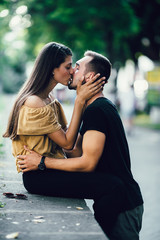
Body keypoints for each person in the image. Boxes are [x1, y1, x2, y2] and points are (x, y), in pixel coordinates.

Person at [7, 50, 143, 239]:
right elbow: (73, 150)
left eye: (76, 67)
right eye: (69, 66)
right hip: (120, 198)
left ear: (89, 77)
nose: (72, 71)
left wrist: (42, 161)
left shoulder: (96, 109)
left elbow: (81, 158)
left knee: (113, 186)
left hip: (124, 203)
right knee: (111, 185)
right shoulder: (95, 107)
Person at [3, 42, 105, 173]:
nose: (72, 71)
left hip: (49, 167)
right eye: (67, 67)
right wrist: (80, 100)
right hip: (39, 173)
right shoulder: (34, 102)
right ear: (52, 69)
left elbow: (71, 147)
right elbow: (68, 143)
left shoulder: (49, 99)